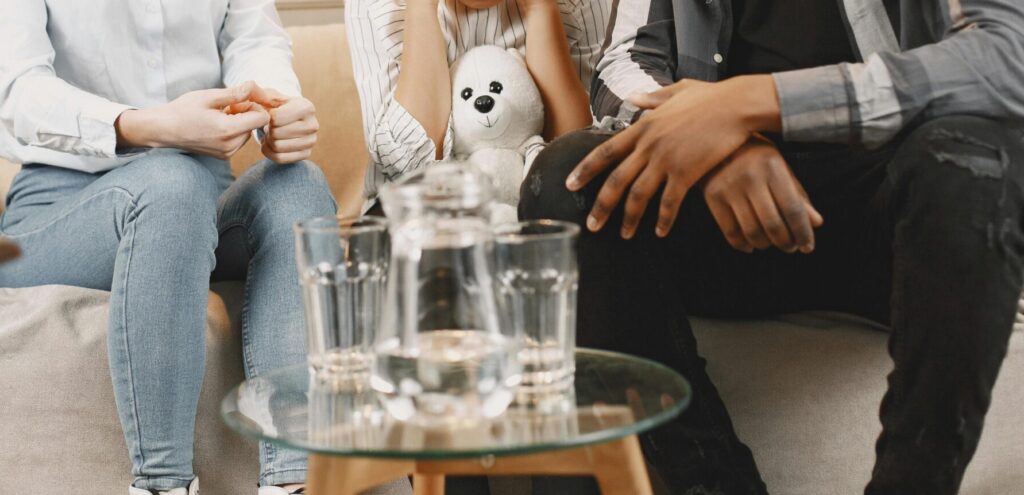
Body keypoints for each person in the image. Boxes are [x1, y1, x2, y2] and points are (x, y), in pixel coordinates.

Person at [520, 0, 1024, 493]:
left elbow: (1005, 58)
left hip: (893, 211)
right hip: (733, 215)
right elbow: (622, 63)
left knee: (971, 160)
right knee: (568, 181)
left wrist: (759, 104)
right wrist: (716, 142)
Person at [0, 1, 338, 493]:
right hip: (59, 210)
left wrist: (277, 107)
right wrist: (147, 125)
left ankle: (294, 481)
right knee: (171, 183)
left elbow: (254, 40)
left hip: (202, 200)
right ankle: (163, 484)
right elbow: (15, 89)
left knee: (300, 185)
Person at [346, 0, 608, 211]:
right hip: (410, 215)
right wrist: (421, 8)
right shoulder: (375, 6)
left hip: (537, 213)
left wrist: (541, 9)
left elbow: (575, 162)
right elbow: (407, 167)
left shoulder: (580, 4)